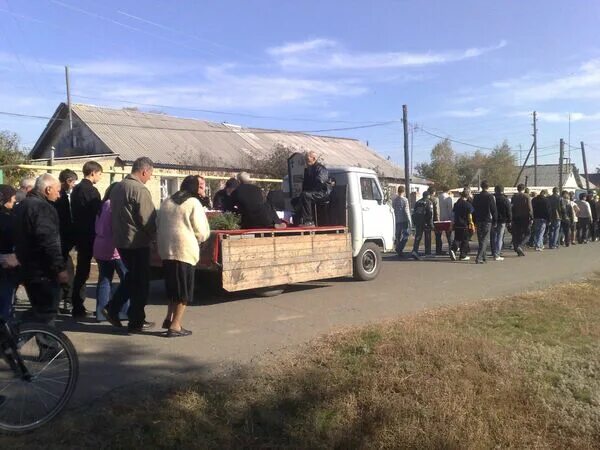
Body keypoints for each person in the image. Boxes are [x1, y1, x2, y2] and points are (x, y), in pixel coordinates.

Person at [104, 157, 157, 333]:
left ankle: (115, 309)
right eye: (150, 174)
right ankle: (134, 321)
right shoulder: (139, 189)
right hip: (137, 241)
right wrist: (154, 236)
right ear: (144, 171)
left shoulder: (118, 187)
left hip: (122, 240)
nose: (150, 177)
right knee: (141, 283)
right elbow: (147, 218)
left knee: (132, 278)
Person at [157, 175, 210, 337]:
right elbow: (202, 231)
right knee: (184, 291)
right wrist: (201, 239)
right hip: (184, 250)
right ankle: (175, 325)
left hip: (166, 250)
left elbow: (157, 223)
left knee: (173, 287)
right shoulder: (193, 203)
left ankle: (168, 318)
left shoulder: (167, 201)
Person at [14, 174, 68, 325]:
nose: (59, 195)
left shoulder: (23, 205)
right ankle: (46, 346)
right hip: (42, 270)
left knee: (39, 310)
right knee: (46, 312)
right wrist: (59, 268)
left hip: (27, 267)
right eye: (58, 190)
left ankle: (12, 337)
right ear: (48, 189)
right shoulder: (43, 208)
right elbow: (48, 241)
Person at [70, 161, 103, 318]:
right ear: (93, 173)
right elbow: (98, 213)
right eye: (99, 174)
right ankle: (84, 307)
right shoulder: (91, 191)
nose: (100, 177)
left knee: (81, 271)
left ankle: (77, 305)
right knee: (92, 271)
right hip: (91, 234)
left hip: (78, 233)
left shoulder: (76, 189)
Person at [93, 183, 130, 323]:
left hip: (99, 244)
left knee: (104, 279)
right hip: (114, 247)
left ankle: (100, 312)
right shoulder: (114, 205)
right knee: (126, 278)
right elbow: (116, 227)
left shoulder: (102, 205)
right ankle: (123, 310)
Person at [54, 169, 78, 313]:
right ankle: (64, 300)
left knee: (66, 269)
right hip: (60, 241)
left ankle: (64, 300)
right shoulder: (60, 197)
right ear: (68, 181)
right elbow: (65, 220)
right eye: (73, 182)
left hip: (61, 241)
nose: (74, 185)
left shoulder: (60, 195)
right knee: (65, 271)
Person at [295, 151, 330, 226]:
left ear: (313, 158)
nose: (306, 161)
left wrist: (309, 188)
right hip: (313, 192)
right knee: (297, 198)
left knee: (305, 195)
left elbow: (320, 182)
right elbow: (305, 183)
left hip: (322, 193)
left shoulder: (321, 168)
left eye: (307, 159)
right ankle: (298, 219)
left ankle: (309, 221)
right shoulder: (308, 169)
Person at [0, 185, 18, 319]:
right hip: (6, 267)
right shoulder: (8, 219)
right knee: (5, 310)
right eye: (13, 198)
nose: (14, 201)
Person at [472, 180, 497, 264]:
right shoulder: (490, 197)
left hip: (478, 219)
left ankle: (484, 257)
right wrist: (495, 220)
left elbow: (473, 210)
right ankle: (479, 257)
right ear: (488, 187)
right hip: (487, 220)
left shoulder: (476, 197)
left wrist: (474, 220)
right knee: (485, 239)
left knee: (481, 239)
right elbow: (493, 209)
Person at [449, 190, 474, 261]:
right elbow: (469, 216)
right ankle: (463, 255)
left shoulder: (456, 204)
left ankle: (453, 249)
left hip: (457, 224)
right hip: (464, 224)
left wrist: (451, 224)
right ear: (467, 196)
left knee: (457, 238)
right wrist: (471, 224)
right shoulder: (468, 205)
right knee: (465, 240)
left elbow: (453, 215)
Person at [410, 191, 434, 261]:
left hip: (418, 222)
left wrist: (414, 222)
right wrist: (431, 224)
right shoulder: (429, 202)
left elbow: (414, 212)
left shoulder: (417, 202)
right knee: (428, 237)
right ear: (428, 196)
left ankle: (415, 250)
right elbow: (430, 214)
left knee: (418, 236)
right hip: (425, 222)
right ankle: (428, 252)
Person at [511, 183, 532, 256]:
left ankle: (518, 249)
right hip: (525, 217)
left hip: (516, 217)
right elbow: (529, 208)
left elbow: (512, 207)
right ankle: (520, 246)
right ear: (524, 189)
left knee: (517, 234)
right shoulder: (526, 196)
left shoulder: (514, 197)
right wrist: (531, 217)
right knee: (527, 234)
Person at [492, 185, 511, 259]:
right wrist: (509, 220)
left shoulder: (492, 198)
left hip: (493, 220)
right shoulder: (505, 199)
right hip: (502, 220)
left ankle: (493, 251)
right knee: (500, 237)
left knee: (493, 237)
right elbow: (509, 210)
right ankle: (497, 253)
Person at [392, 186, 412, 257]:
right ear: (403, 192)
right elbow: (406, 211)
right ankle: (399, 248)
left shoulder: (394, 200)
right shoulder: (405, 200)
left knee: (398, 235)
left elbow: (393, 209)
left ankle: (398, 249)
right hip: (404, 220)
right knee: (405, 235)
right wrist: (410, 221)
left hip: (397, 220)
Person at [436, 186, 453, 255]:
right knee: (449, 235)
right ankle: (451, 249)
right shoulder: (448, 198)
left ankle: (438, 250)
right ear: (448, 190)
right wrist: (451, 219)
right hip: (447, 218)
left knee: (439, 235)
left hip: (440, 217)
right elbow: (450, 209)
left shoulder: (439, 197)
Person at [427, 186, 439, 255]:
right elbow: (437, 210)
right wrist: (438, 219)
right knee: (438, 235)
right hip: (434, 218)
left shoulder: (427, 199)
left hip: (427, 219)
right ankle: (438, 250)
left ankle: (428, 250)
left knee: (428, 235)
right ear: (434, 192)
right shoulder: (435, 199)